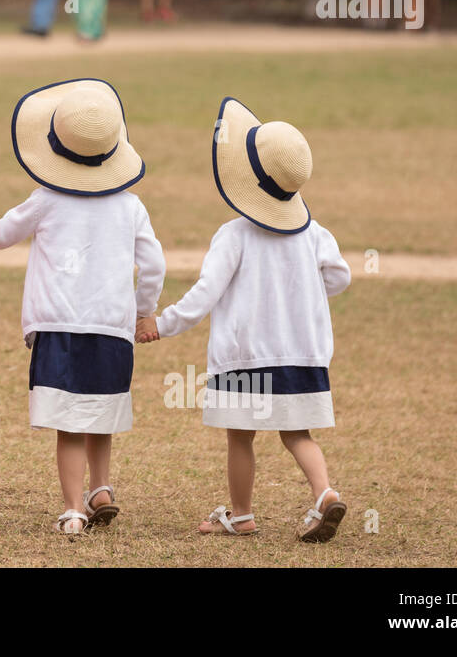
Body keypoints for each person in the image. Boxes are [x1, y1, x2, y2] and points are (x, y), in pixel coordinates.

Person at [0, 79, 164, 536]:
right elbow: (154, 262)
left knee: (70, 423)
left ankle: (74, 509)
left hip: (59, 328)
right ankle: (102, 489)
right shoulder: (131, 206)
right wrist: (142, 311)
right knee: (101, 412)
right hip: (113, 329)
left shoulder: (46, 199)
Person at [147, 98, 351, 542]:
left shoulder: (233, 235)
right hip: (302, 355)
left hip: (244, 359)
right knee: (298, 433)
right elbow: (339, 277)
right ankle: (324, 492)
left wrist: (162, 324)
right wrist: (303, 294)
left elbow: (206, 293)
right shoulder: (316, 235)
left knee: (240, 438)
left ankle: (241, 515)